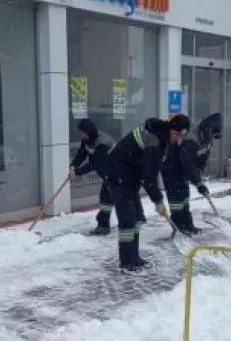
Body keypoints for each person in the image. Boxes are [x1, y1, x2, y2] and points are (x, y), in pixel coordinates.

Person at [106, 117, 169, 274]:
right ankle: (127, 262)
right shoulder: (152, 141)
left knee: (137, 219)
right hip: (119, 180)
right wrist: (158, 200)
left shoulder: (154, 138)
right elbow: (149, 177)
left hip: (128, 179)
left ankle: (134, 257)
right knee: (128, 222)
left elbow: (145, 169)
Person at [160, 114, 209, 236]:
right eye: (179, 133)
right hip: (171, 175)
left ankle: (188, 225)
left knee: (185, 201)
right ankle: (179, 227)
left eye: (182, 134)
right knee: (177, 203)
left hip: (179, 173)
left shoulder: (176, 139)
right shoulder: (164, 139)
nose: (180, 136)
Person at [69, 119, 115, 235]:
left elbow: (95, 163)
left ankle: (103, 226)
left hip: (116, 172)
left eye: (81, 133)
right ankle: (137, 217)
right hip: (107, 173)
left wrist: (78, 172)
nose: (80, 135)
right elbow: (81, 154)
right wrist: (73, 166)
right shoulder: (87, 140)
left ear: (88, 131)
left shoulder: (103, 143)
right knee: (113, 197)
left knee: (106, 198)